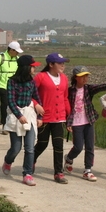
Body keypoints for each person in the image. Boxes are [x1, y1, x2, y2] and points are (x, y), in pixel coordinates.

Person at [64, 66, 106, 181]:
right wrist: (68, 123)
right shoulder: (70, 91)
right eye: (82, 76)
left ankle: (88, 170)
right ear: (76, 78)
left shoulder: (88, 89)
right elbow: (67, 108)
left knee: (90, 146)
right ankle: (69, 158)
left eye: (87, 76)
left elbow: (99, 87)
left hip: (89, 120)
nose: (85, 79)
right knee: (78, 146)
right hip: (76, 122)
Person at [1, 55, 42, 186]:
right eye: (32, 67)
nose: (34, 69)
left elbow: (37, 98)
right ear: (26, 68)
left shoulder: (32, 82)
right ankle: (8, 161)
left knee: (30, 148)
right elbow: (11, 101)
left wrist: (40, 116)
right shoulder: (12, 82)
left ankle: (27, 173)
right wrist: (19, 115)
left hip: (29, 115)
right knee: (16, 148)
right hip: (16, 116)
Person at [33, 53, 70, 184]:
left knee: (58, 145)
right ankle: (32, 159)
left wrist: (69, 116)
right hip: (45, 117)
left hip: (59, 117)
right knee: (42, 143)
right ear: (51, 64)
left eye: (63, 63)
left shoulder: (64, 78)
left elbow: (65, 98)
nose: (63, 65)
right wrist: (36, 105)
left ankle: (58, 173)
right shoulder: (41, 77)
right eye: (60, 63)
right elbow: (30, 93)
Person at [0, 41, 23, 133]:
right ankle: (5, 125)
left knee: (14, 106)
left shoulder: (17, 59)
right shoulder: (0, 58)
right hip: (2, 85)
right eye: (16, 51)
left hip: (14, 86)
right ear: (11, 50)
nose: (17, 53)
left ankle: (13, 125)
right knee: (5, 105)